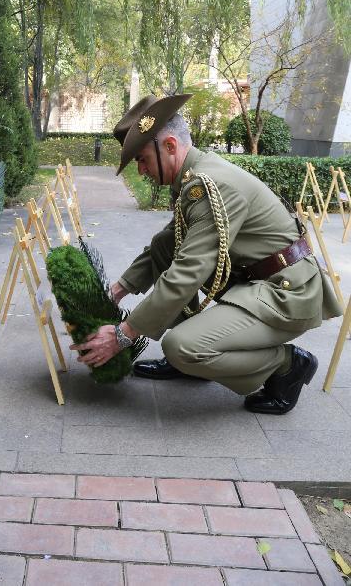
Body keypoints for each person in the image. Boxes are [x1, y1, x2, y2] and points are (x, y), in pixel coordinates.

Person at [70, 93, 342, 414]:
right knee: (164, 247)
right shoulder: (193, 176)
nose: (141, 170)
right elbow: (166, 245)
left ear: (170, 147)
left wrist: (122, 335)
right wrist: (116, 292)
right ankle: (193, 359)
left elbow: (188, 272)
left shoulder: (211, 184)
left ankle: (286, 365)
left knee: (180, 347)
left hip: (286, 292)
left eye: (142, 159)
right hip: (255, 279)